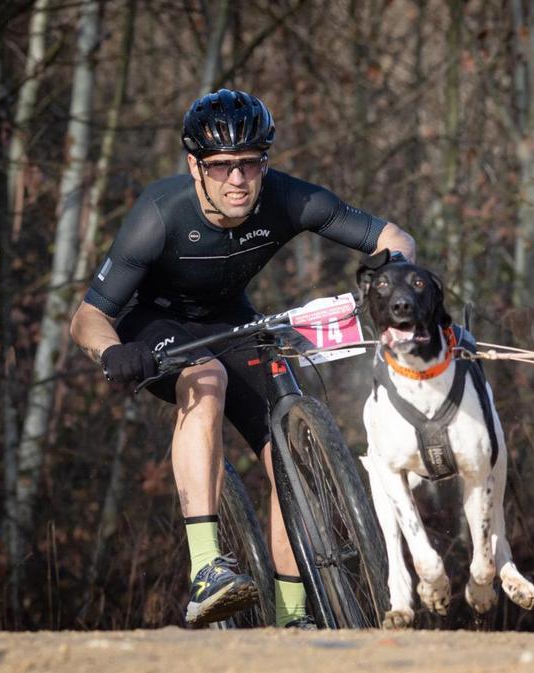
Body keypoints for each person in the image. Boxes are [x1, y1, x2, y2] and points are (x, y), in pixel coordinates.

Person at [70, 89, 416, 628]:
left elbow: (393, 237)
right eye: (222, 166)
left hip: (232, 320)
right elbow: (87, 317)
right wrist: (111, 351)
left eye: (250, 164)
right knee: (204, 379)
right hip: (155, 325)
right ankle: (207, 568)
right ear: (195, 166)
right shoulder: (160, 215)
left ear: (265, 163)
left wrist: (388, 276)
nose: (238, 179)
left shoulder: (289, 199)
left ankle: (293, 613)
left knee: (290, 454)